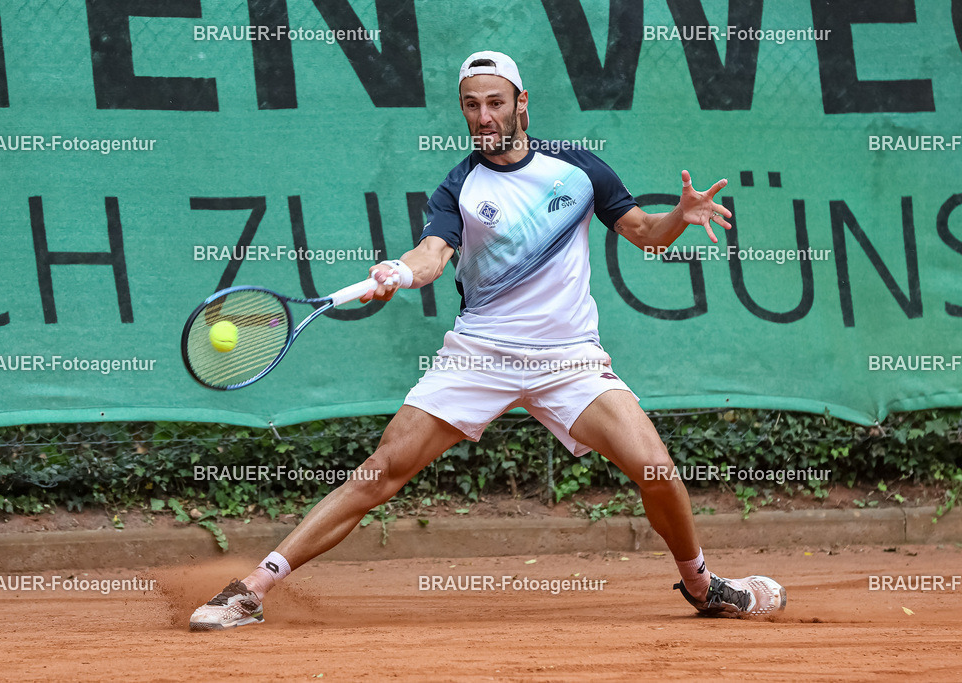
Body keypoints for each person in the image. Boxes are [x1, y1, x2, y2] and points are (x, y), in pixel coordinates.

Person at [189, 50, 785, 630]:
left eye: (495, 103)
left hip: (568, 360)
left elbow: (645, 235)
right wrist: (399, 271)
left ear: (521, 103)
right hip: (480, 356)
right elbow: (431, 255)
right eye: (471, 106)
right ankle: (253, 588)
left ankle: (704, 587)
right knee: (381, 471)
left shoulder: (579, 171)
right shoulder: (458, 188)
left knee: (655, 469)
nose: (483, 116)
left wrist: (679, 216)